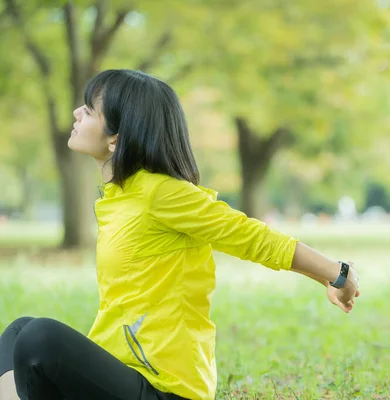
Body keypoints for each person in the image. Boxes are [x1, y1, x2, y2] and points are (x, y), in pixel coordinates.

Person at [0, 69, 360, 400]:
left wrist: (336, 273)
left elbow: (251, 237)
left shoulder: (162, 193)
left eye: (90, 110)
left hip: (166, 388)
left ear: (115, 139)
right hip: (121, 371)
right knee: (19, 331)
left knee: (39, 338)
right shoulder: (119, 197)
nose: (77, 113)